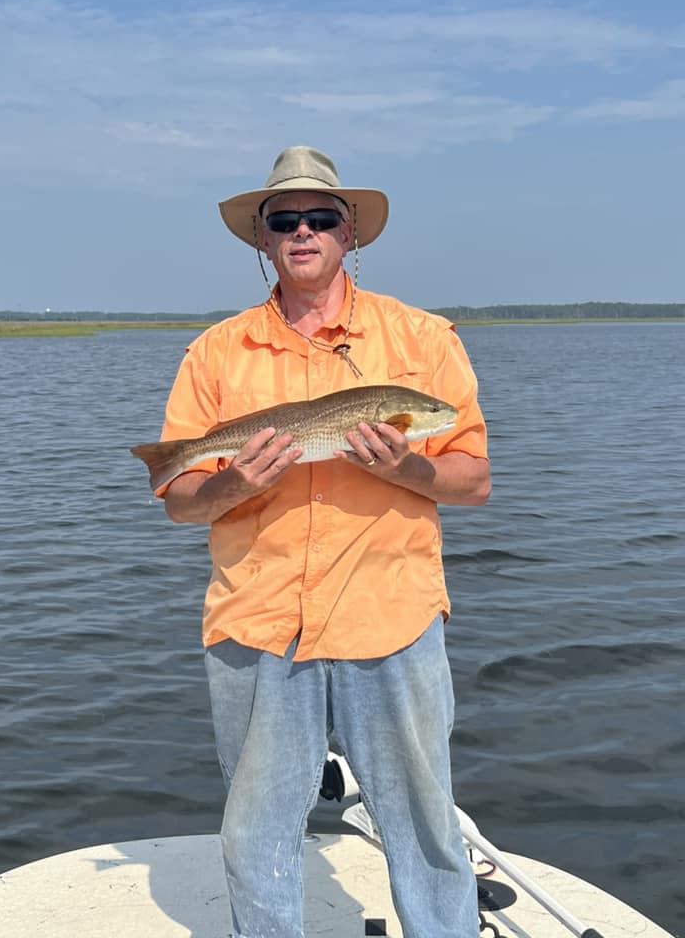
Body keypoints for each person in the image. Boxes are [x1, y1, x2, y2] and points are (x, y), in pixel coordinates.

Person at [155, 146, 490, 938]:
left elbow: (474, 479)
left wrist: (409, 467)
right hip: (259, 621)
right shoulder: (215, 353)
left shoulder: (421, 339)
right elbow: (179, 503)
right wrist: (237, 482)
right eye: (284, 220)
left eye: (321, 218)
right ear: (263, 241)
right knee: (256, 833)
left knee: (425, 824)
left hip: (392, 617)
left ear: (350, 235)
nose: (303, 230)